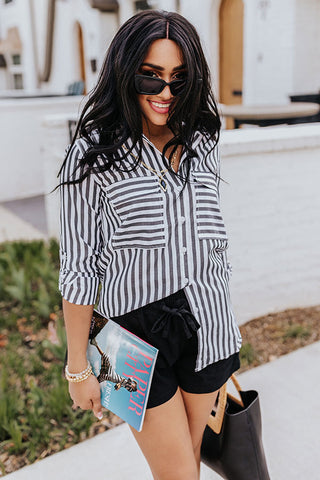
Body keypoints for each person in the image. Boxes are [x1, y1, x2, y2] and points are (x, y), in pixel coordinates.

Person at [58, 9, 242, 480]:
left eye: (179, 80)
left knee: (193, 463)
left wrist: (220, 329)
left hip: (206, 322)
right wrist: (79, 367)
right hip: (131, 336)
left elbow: (208, 238)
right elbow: (80, 266)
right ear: (126, 72)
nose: (165, 94)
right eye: (151, 78)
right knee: (177, 474)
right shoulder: (93, 153)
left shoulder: (202, 139)